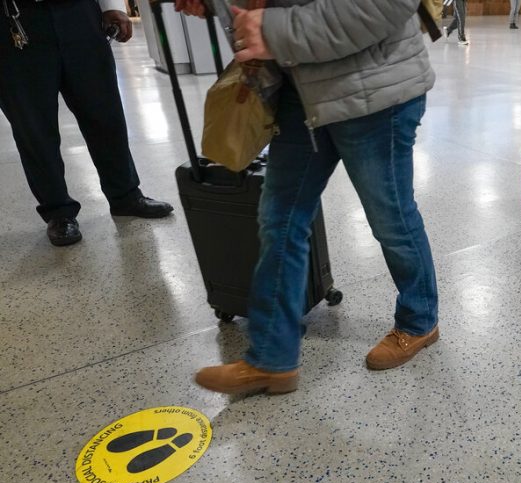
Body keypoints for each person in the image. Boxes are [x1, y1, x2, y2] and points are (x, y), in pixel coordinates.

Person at [176, 0, 441, 394]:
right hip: (300, 93)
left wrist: (275, 30)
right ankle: (271, 359)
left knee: (391, 218)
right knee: (279, 221)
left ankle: (420, 320)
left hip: (373, 91)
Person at [0, 0, 174, 247]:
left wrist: (111, 5)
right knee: (33, 127)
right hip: (13, 20)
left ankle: (125, 195)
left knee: (105, 112)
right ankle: (58, 211)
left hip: (79, 14)